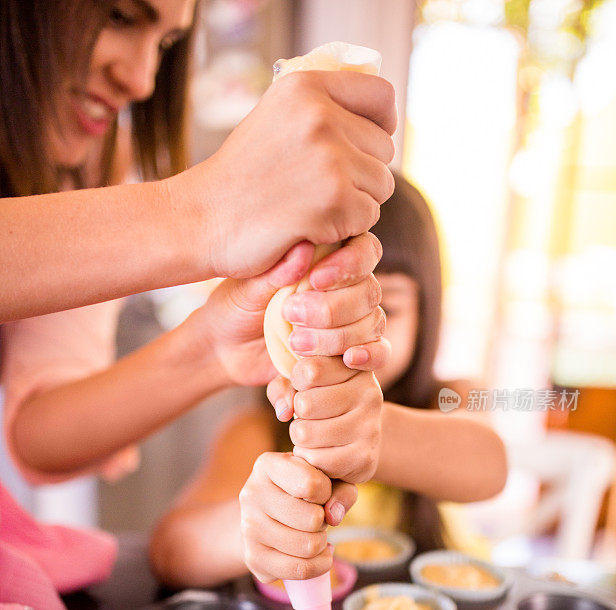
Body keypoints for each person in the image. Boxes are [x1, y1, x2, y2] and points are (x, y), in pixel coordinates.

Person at [1, 0, 397, 488]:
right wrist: (202, 211)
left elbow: (37, 433)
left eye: (166, 43)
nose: (143, 81)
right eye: (120, 17)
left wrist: (213, 345)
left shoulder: (90, 161)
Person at [150, 174, 508, 588]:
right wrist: (255, 529)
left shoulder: (451, 396)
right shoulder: (258, 431)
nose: (347, 335)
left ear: (427, 315)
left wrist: (367, 433)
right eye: (319, 308)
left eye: (383, 307)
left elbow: (491, 465)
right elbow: (171, 551)